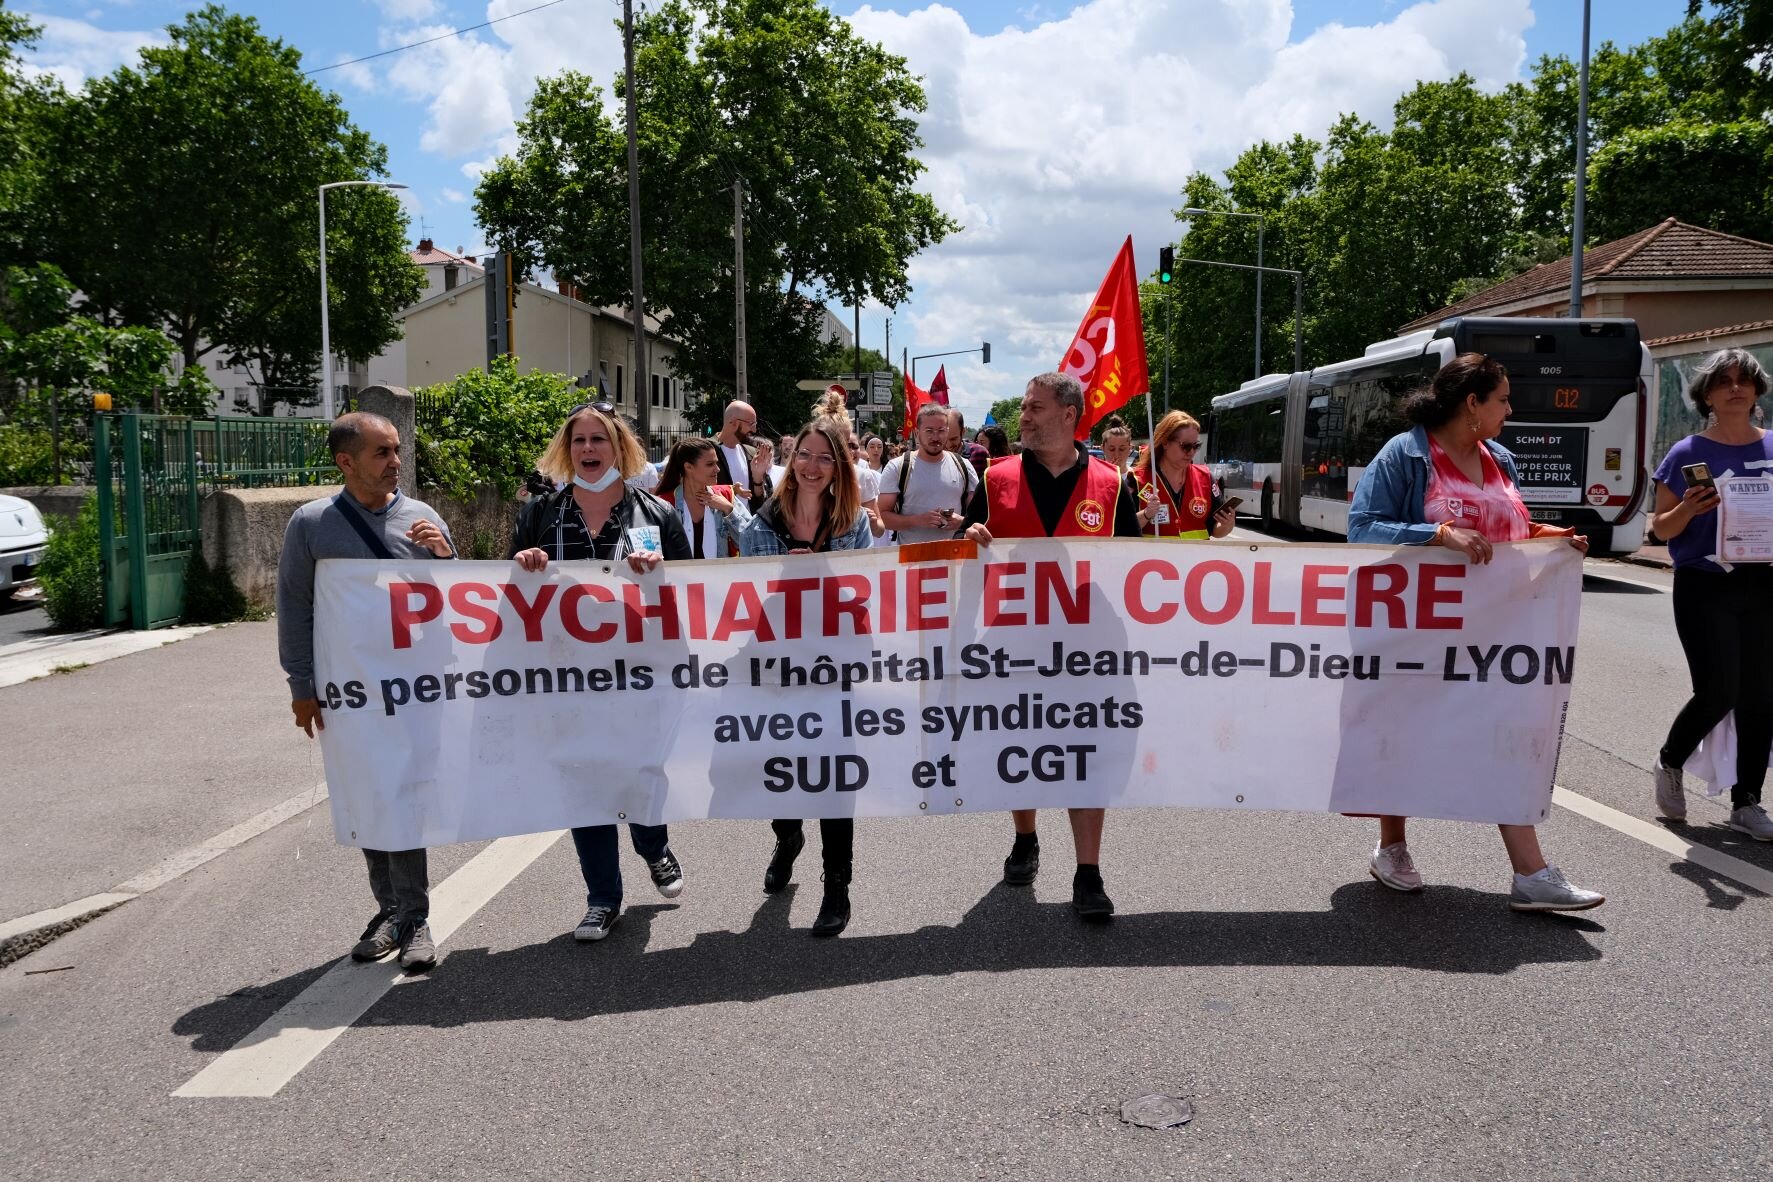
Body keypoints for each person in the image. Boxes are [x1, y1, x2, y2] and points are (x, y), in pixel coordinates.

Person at [1347, 353, 1602, 911]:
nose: (1510, 410)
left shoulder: (1501, 458)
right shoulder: (1406, 455)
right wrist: (1437, 534)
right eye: (1504, 400)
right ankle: (1392, 846)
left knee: (1505, 735)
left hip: (1499, 630)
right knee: (1403, 734)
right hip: (1420, 628)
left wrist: (1546, 534)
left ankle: (1531, 873)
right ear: (1472, 404)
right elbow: (1362, 527)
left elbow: (1504, 526)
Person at [959, 372, 1143, 921]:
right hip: (1015, 640)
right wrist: (969, 539)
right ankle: (1026, 836)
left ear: (1069, 415)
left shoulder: (1112, 484)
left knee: (1085, 750)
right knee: (1022, 742)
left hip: (1089, 645)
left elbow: (1134, 567)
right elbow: (963, 549)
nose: (1024, 416)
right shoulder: (995, 478)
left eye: (1035, 408)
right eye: (1024, 407)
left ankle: (1088, 872)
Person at [509, 400, 694, 942]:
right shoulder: (541, 515)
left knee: (638, 771)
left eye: (599, 440)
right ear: (567, 452)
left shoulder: (655, 514)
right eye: (579, 441)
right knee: (583, 781)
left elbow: (693, 591)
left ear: (620, 447)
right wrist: (524, 566)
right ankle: (602, 898)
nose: (589, 450)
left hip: (640, 675)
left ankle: (654, 846)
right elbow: (509, 594)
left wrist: (660, 577)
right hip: (566, 677)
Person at [277, 412, 455, 971]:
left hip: (413, 692)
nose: (396, 462)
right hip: (348, 694)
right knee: (369, 796)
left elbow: (459, 610)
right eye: (382, 453)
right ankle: (392, 912)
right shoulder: (311, 524)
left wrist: (445, 559)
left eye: (397, 450)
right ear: (346, 462)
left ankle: (415, 917)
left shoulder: (423, 518)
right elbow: (296, 607)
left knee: (402, 795)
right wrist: (301, 685)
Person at [738, 417, 873, 936]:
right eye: (804, 456)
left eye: (824, 458)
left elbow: (866, 590)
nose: (812, 467)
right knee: (784, 767)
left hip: (835, 665)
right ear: (791, 463)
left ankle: (836, 885)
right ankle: (787, 834)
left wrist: (822, 575)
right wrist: (783, 580)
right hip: (777, 665)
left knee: (835, 773)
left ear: (839, 467)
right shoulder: (764, 522)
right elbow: (745, 596)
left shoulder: (854, 522)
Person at [1647, 348, 1773, 840]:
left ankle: (1747, 802)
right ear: (1708, 395)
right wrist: (1690, 511)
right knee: (1720, 689)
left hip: (1764, 581)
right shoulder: (1686, 453)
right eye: (1724, 382)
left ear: (1758, 391)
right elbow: (1660, 529)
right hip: (1704, 582)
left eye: (1745, 380)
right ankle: (1670, 762)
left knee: (1762, 696)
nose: (1736, 389)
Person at [879, 401, 980, 545]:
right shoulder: (897, 467)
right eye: (929, 431)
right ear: (917, 433)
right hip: (911, 560)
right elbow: (882, 516)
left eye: (941, 430)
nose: (935, 437)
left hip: (954, 559)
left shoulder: (964, 466)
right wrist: (917, 521)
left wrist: (962, 522)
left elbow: (979, 514)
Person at [1128, 410, 1235, 540]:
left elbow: (1215, 530)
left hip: (1195, 559)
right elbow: (1123, 528)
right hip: (1154, 559)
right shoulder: (1137, 479)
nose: (1191, 452)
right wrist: (1146, 514)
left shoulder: (1205, 477)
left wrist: (1227, 525)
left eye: (1196, 446)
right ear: (1165, 442)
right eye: (1186, 446)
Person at [655, 437, 748, 559]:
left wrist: (728, 509)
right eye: (710, 464)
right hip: (679, 578)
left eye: (717, 463)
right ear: (688, 467)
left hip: (720, 577)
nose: (717, 469)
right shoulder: (663, 504)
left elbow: (752, 541)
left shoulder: (726, 496)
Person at [714, 400, 770, 511]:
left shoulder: (752, 454)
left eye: (755, 424)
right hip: (719, 525)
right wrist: (732, 490)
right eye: (751, 424)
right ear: (734, 422)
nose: (754, 430)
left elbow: (762, 500)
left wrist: (758, 479)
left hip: (748, 525)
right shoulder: (707, 451)